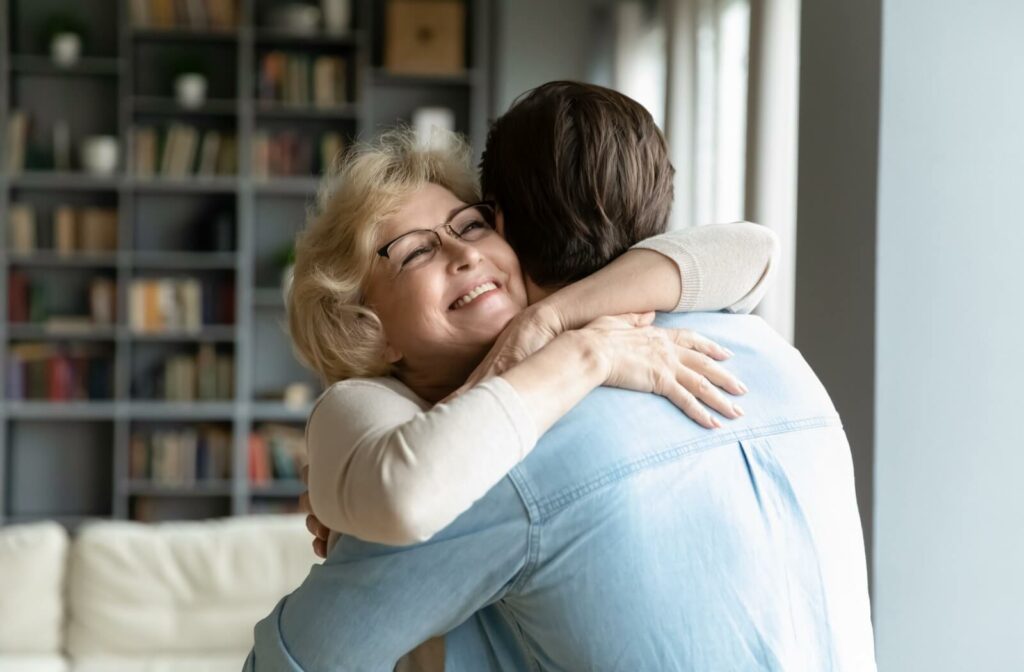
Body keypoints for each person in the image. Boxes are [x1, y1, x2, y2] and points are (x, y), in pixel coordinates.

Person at [246, 82, 875, 670]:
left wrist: (552, 333)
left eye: (471, 225)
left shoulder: (509, 469)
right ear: (364, 324)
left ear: (510, 237)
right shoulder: (770, 353)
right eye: (415, 250)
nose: (464, 253)